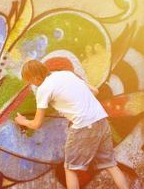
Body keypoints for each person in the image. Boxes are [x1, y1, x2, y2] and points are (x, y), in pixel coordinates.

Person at [14, 60, 129, 189]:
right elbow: (95, 91)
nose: (31, 84)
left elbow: (36, 124)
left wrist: (22, 121)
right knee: (110, 164)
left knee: (70, 169)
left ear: (36, 77)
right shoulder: (66, 74)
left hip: (83, 126)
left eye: (30, 81)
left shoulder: (43, 89)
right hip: (101, 120)